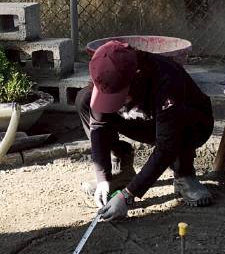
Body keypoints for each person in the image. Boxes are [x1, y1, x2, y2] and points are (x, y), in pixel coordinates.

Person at [76, 39, 214, 221]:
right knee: (85, 100)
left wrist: (127, 196)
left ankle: (184, 173)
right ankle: (120, 168)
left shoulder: (167, 79)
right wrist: (102, 178)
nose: (115, 103)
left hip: (191, 127)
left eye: (120, 95)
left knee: (181, 120)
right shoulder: (106, 77)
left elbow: (166, 146)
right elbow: (99, 125)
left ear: (137, 77)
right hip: (147, 121)